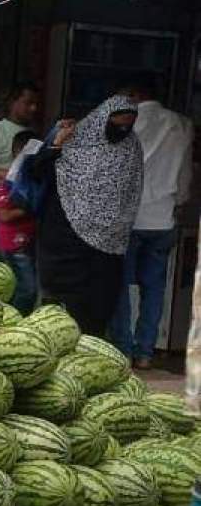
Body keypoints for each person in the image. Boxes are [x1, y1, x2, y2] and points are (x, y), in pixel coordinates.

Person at [35, 96, 143, 336]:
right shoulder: (76, 137)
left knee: (98, 306)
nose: (122, 131)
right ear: (104, 117)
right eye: (118, 124)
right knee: (60, 307)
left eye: (128, 126)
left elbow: (131, 188)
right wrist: (56, 144)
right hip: (65, 240)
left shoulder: (131, 147)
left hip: (106, 246)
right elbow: (38, 170)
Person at [111, 79, 194, 368]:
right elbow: (184, 174)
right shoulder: (182, 124)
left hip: (130, 218)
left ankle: (122, 348)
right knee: (154, 287)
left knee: (120, 284)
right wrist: (178, 203)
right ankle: (145, 351)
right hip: (163, 219)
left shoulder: (127, 122)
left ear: (134, 94)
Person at [0, 83, 42, 258]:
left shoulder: (33, 135)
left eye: (36, 104)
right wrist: (15, 176)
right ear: (13, 102)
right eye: (28, 103)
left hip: (19, 219)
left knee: (17, 278)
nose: (33, 108)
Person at [0, 130, 41, 314]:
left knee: (24, 287)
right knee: (27, 289)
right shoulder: (10, 183)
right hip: (15, 245)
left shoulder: (30, 181)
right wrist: (30, 207)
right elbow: (5, 215)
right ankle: (15, 318)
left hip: (26, 243)